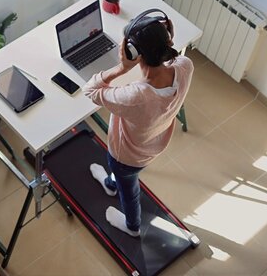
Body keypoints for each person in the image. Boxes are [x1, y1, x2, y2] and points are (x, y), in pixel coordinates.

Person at [82, 19, 193, 237]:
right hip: (153, 144)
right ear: (168, 41)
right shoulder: (185, 66)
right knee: (121, 177)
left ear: (133, 53)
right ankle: (109, 184)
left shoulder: (135, 96)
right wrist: (163, 36)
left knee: (129, 189)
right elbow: (174, 56)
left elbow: (90, 90)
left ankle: (132, 226)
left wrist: (122, 68)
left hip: (126, 157)